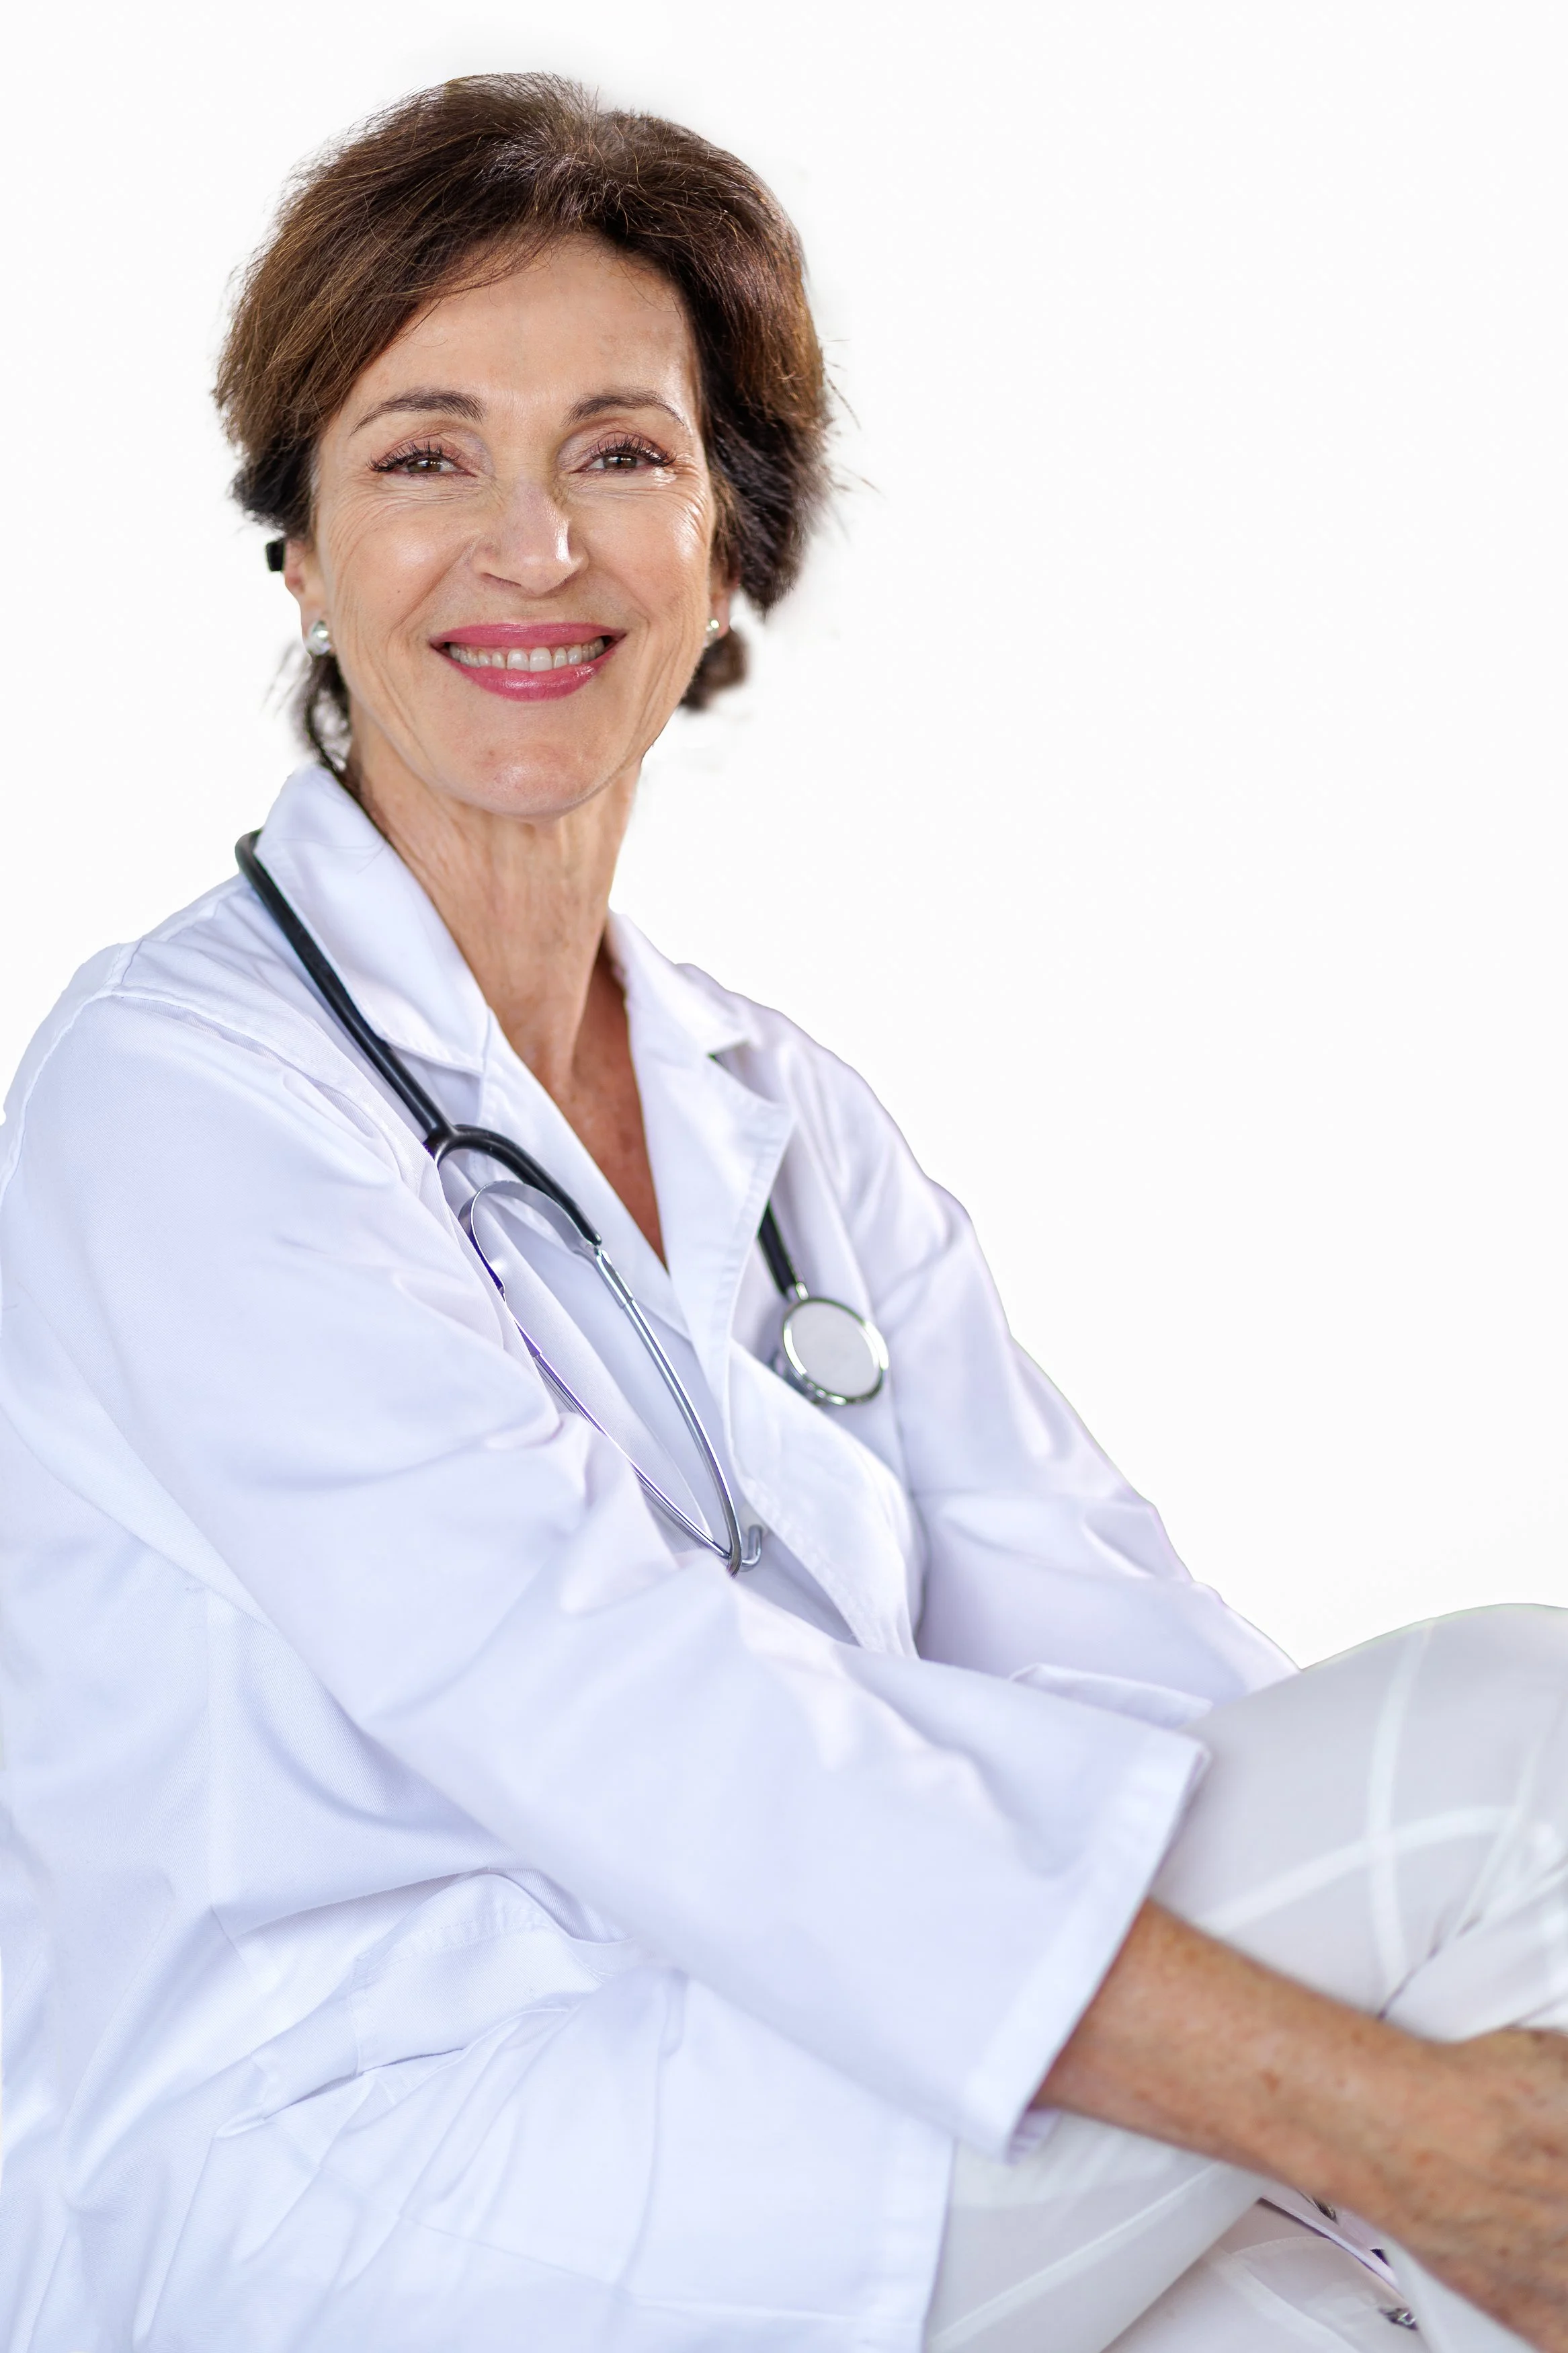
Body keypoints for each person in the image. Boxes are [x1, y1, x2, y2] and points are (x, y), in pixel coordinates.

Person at [0, 73, 1563, 2353]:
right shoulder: (179, 1098)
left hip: (762, 2079)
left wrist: (1413, 2087)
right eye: (425, 456)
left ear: (724, 541)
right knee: (1520, 1747)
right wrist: (1382, 2120)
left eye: (618, 454)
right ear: (302, 554)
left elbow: (1112, 1639)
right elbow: (598, 1693)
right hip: (358, 2179)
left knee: (1314, 2316)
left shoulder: (778, 1114)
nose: (531, 546)